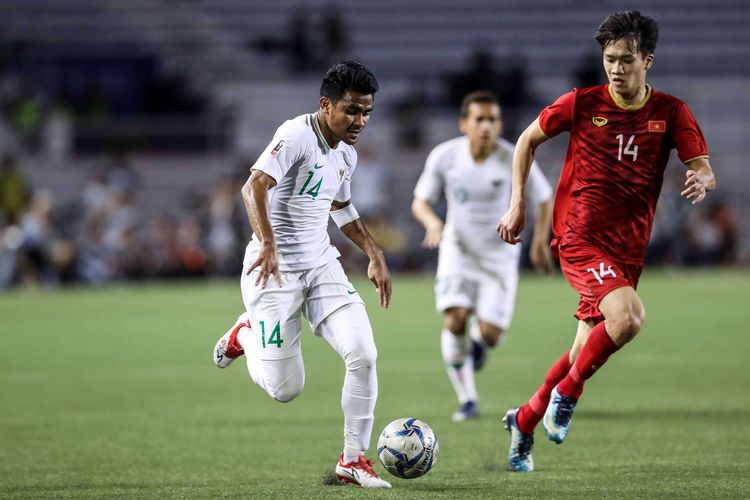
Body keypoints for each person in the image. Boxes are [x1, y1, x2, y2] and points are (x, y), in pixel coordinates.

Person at [497, 11, 716, 472]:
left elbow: (703, 167)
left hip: (627, 249)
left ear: (647, 61)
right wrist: (517, 203)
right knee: (630, 316)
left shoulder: (671, 112)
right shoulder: (581, 103)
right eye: (609, 59)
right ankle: (568, 395)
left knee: (583, 350)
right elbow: (525, 141)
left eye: (626, 59)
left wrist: (701, 179)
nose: (616, 69)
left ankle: (525, 418)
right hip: (580, 236)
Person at [212, 61, 393, 489]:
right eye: (351, 110)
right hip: (272, 272)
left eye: (367, 112)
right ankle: (244, 335)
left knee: (363, 354)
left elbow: (340, 207)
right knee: (285, 389)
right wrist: (268, 242)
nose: (360, 121)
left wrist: (373, 251)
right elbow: (252, 187)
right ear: (325, 104)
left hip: (321, 265)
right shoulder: (296, 134)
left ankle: (353, 460)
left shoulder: (346, 153)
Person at [412, 91, 553, 422]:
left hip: (500, 256)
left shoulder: (513, 157)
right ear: (464, 124)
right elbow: (420, 201)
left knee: (490, 335)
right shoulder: (445, 157)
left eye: (493, 120)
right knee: (454, 317)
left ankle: (478, 343)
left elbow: (544, 198)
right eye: (480, 119)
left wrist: (539, 242)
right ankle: (468, 400)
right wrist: (434, 223)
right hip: (457, 250)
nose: (487, 126)